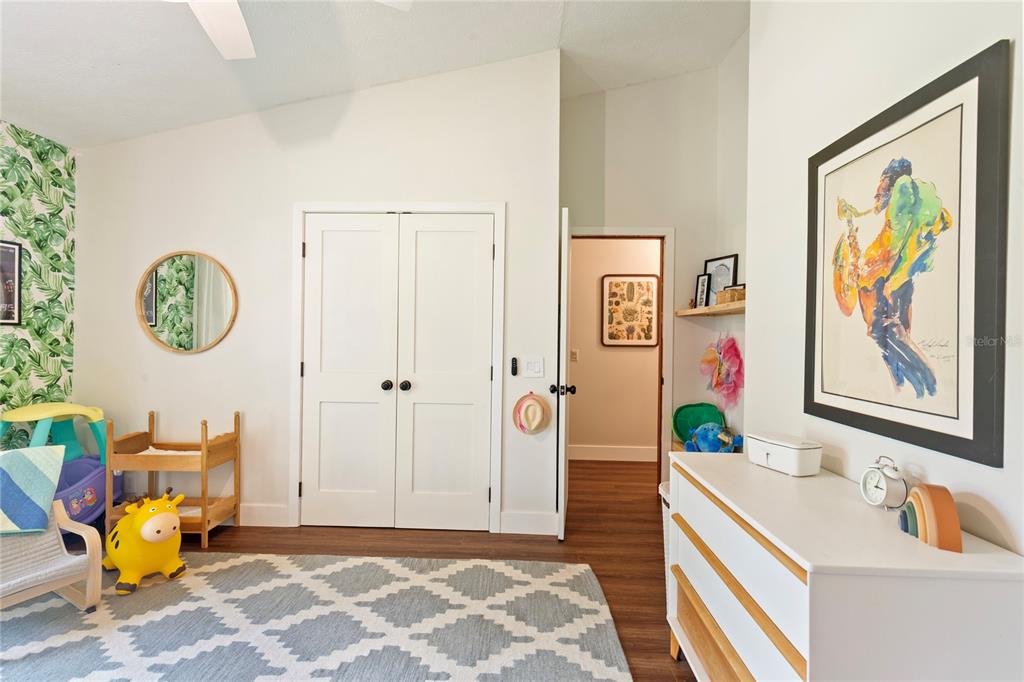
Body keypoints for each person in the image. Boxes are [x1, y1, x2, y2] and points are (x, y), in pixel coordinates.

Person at [832, 157, 954, 398]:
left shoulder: (902, 199)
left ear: (889, 182)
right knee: (890, 342)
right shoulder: (901, 208)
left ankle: (926, 387)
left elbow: (889, 250)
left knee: (889, 335)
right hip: (891, 286)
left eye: (880, 184)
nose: (876, 192)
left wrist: (866, 268)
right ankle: (909, 392)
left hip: (889, 288)